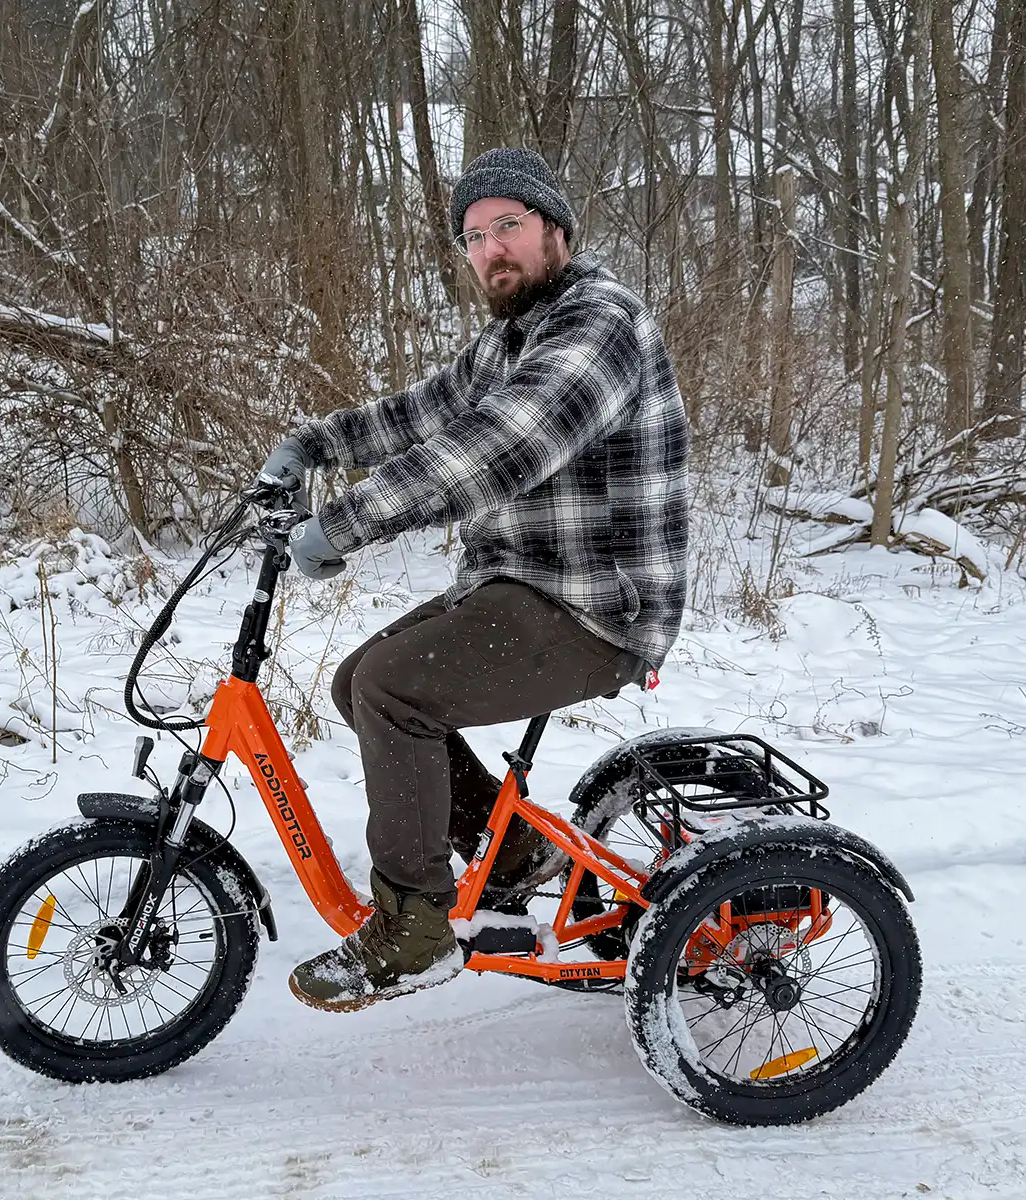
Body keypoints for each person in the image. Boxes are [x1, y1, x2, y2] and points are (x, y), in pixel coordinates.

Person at [256, 147, 689, 1012]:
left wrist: (342, 525)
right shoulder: (510, 339)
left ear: (555, 229)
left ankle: (414, 931)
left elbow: (495, 450)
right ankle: (518, 854)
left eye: (509, 227)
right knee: (358, 683)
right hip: (522, 584)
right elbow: (419, 414)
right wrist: (314, 445)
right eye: (474, 236)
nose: (491, 249)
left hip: (596, 607)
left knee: (391, 688)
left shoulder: (599, 325)